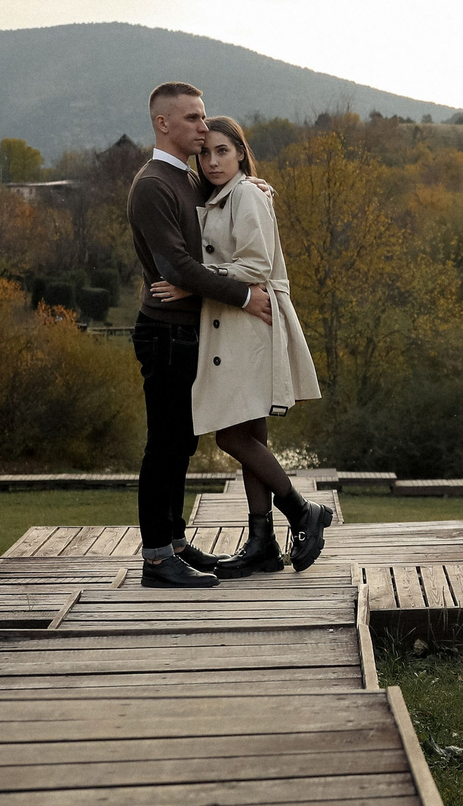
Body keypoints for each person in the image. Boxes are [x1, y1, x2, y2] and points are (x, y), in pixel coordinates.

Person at [150, 116, 328, 576]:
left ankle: (302, 511)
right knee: (250, 436)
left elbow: (254, 264)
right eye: (205, 153)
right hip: (234, 322)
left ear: (241, 153)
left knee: (231, 434)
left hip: (250, 324)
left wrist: (191, 286)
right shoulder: (222, 196)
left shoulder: (245, 194)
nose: (211, 161)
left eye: (222, 151)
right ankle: (262, 541)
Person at [126, 82, 274, 588]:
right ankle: (155, 559)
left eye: (204, 117)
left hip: (192, 334)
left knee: (183, 445)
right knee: (164, 445)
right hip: (164, 334)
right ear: (163, 124)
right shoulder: (153, 185)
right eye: (192, 118)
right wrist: (243, 296)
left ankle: (177, 543)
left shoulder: (189, 180)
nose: (203, 127)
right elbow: (178, 267)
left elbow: (229, 205)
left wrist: (256, 186)